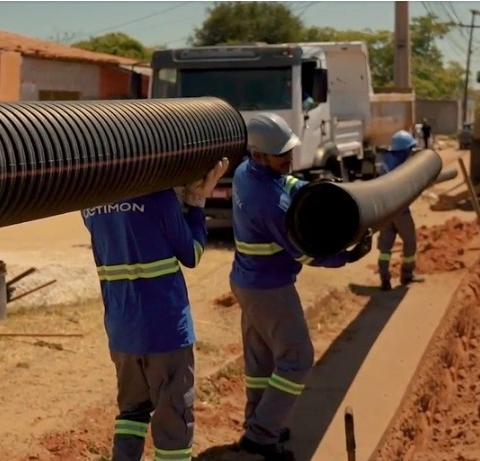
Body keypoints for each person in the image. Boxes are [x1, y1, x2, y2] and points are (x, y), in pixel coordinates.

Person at [229, 113, 373, 460]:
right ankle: (262, 436)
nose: (289, 159)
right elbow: (305, 251)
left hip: (247, 282)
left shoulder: (246, 173)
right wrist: (348, 257)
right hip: (270, 289)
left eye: (289, 151)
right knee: (297, 359)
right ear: (261, 155)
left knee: (262, 360)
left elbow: (287, 184)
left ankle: (260, 420)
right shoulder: (271, 204)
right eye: (282, 155)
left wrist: (314, 186)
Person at [82, 158, 230, 461]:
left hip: (122, 331)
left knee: (131, 411)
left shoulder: (89, 202)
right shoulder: (157, 196)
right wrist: (195, 203)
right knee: (173, 418)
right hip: (165, 332)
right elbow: (192, 253)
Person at [377, 130, 426, 291]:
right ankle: (406, 275)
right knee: (410, 242)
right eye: (410, 149)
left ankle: (385, 279)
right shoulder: (402, 165)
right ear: (404, 150)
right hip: (400, 211)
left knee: (385, 247)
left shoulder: (385, 162)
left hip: (385, 212)